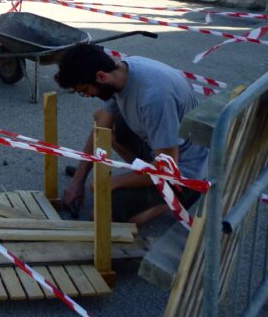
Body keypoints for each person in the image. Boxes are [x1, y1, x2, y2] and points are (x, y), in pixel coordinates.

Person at [53, 44, 207, 226]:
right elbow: (101, 128)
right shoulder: (120, 73)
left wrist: (115, 182)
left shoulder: (155, 98)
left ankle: (180, 196)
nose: (87, 95)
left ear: (100, 77)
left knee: (102, 218)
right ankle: (143, 177)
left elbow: (167, 168)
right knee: (102, 118)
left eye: (85, 91)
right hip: (161, 149)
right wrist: (78, 180)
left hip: (182, 170)